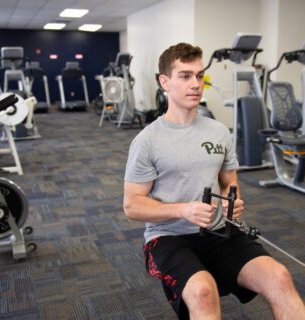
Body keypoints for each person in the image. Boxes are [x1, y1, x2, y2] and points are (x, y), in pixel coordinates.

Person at [123, 42, 305, 320]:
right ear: (165, 82)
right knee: (202, 291)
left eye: (199, 75)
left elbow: (229, 177)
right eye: (185, 76)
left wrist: (232, 201)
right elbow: (132, 206)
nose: (196, 83)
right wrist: (184, 209)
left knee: (279, 276)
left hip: (220, 232)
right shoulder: (147, 141)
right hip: (169, 238)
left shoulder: (218, 131)